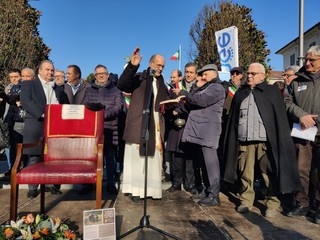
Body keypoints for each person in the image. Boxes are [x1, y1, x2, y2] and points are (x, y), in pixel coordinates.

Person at [223, 63, 301, 218]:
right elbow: (233, 119)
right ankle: (246, 200)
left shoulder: (272, 92)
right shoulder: (241, 93)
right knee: (246, 172)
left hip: (266, 141)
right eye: (249, 73)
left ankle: (272, 203)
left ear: (262, 75)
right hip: (245, 140)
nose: (249, 76)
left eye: (253, 73)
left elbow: (278, 119)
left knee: (268, 173)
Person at [117, 48, 169, 201]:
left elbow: (163, 101)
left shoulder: (161, 82)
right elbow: (122, 84)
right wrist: (132, 66)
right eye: (158, 65)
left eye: (162, 66)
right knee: (137, 162)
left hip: (155, 125)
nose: (160, 68)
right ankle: (136, 191)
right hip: (139, 123)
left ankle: (151, 190)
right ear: (150, 63)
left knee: (152, 162)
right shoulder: (139, 77)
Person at [172, 64, 225, 206]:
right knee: (204, 163)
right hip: (201, 131)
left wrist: (183, 92)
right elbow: (193, 100)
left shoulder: (217, 87)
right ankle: (207, 191)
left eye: (204, 74)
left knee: (211, 163)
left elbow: (201, 100)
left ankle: (214, 195)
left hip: (208, 131)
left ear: (213, 73)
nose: (202, 77)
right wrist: (195, 88)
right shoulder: (207, 86)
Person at [284, 45, 320, 224]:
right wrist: (302, 115)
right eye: (306, 60)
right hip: (303, 132)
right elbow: (287, 102)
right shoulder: (297, 81)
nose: (307, 63)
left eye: (312, 60)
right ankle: (302, 204)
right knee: (301, 170)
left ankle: (318, 208)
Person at [20, 60, 66, 198]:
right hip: (35, 124)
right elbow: (26, 101)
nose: (50, 72)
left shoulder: (56, 87)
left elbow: (58, 105)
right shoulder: (29, 84)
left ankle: (51, 185)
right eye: (47, 70)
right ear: (39, 71)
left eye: (52, 70)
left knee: (51, 158)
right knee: (34, 158)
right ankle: (33, 187)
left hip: (52, 127)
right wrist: (42, 114)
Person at [82, 64, 123, 195]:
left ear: (108, 74)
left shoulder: (115, 90)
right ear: (95, 76)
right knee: (91, 158)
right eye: (98, 74)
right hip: (92, 129)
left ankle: (110, 184)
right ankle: (88, 184)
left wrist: (103, 115)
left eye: (103, 73)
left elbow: (118, 107)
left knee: (110, 159)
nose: (101, 75)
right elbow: (84, 105)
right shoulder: (88, 90)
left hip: (110, 128)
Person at [165, 65, 198, 195]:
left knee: (189, 158)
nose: (189, 75)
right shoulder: (176, 87)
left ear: (195, 74)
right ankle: (176, 183)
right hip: (176, 124)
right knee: (176, 156)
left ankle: (190, 184)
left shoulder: (198, 87)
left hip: (190, 124)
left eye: (191, 72)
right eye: (187, 72)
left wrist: (180, 109)